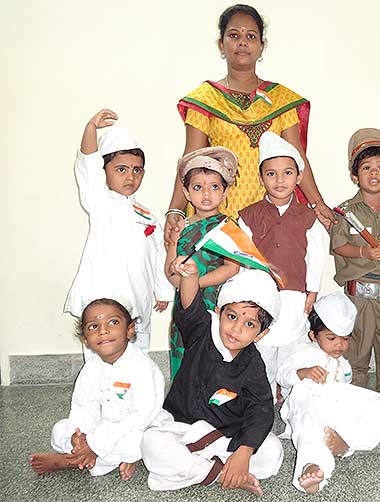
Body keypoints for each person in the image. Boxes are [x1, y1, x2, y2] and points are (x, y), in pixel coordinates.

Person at [165, 4, 333, 242]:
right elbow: (191, 159)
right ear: (221, 45)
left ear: (261, 46)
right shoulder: (205, 100)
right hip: (219, 214)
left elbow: (297, 158)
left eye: (251, 36)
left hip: (274, 213)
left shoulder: (281, 101)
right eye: (234, 35)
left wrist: (318, 203)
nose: (242, 42)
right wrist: (175, 210)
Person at [141, 260, 283, 496]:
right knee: (151, 441)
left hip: (225, 437)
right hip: (182, 428)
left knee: (272, 450)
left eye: (249, 324)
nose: (236, 329)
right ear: (219, 313)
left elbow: (261, 408)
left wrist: (244, 451)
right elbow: (190, 307)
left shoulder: (254, 364)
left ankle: (201, 469)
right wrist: (190, 276)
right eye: (232, 316)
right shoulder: (202, 331)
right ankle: (220, 473)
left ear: (261, 334)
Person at [64, 109, 174, 353]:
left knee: (138, 351)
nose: (130, 177)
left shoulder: (147, 215)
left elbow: (159, 253)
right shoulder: (100, 202)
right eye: (121, 169)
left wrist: (163, 290)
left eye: (137, 170)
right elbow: (88, 165)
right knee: (102, 354)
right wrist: (91, 128)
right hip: (104, 298)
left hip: (139, 297)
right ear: (104, 171)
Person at [29, 298, 165, 479]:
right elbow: (83, 407)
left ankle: (70, 461)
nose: (103, 331)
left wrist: (95, 445)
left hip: (138, 426)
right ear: (85, 339)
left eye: (113, 322)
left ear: (129, 330)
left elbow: (141, 415)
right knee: (59, 430)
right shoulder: (91, 368)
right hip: (101, 425)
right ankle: (89, 456)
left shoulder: (142, 367)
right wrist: (80, 438)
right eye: (93, 326)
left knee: (142, 442)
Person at [238, 131, 325, 401]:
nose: (279, 180)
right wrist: (246, 296)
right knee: (262, 348)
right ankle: (261, 401)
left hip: (295, 295)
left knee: (291, 348)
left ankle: (291, 401)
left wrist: (312, 291)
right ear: (261, 178)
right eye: (271, 174)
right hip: (261, 296)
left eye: (287, 173)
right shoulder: (249, 215)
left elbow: (316, 256)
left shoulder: (308, 217)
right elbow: (244, 258)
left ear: (298, 177)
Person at [277, 293, 380, 493]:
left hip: (334, 408)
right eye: (331, 338)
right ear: (314, 336)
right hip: (307, 403)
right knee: (309, 424)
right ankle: (312, 465)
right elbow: (282, 374)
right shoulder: (304, 352)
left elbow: (345, 391)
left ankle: (345, 443)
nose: (339, 344)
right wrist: (303, 373)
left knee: (378, 409)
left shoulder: (344, 364)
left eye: (345, 339)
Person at [329, 128, 380, 393]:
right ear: (355, 175)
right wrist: (363, 253)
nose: (373, 173)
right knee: (356, 349)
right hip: (358, 296)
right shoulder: (345, 213)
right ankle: (357, 397)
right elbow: (338, 245)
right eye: (366, 167)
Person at [166, 146, 240, 378]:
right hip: (184, 306)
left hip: (215, 304)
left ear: (225, 192)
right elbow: (170, 272)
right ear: (186, 193)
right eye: (198, 187)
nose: (206, 194)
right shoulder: (181, 227)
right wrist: (182, 280)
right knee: (185, 353)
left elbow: (232, 267)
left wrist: (195, 282)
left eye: (214, 187)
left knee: (213, 356)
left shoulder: (227, 227)